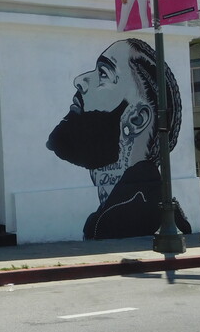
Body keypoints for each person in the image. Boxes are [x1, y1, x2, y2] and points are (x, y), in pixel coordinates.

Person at [46, 38, 191, 239]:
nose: (79, 80)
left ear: (136, 119)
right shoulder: (117, 211)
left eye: (103, 73)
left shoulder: (123, 215)